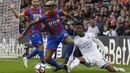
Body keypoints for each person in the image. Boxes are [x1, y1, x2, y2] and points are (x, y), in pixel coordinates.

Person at [19, 1, 78, 72]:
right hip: (52, 38)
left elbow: (66, 15)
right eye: (48, 9)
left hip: (62, 33)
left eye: (50, 9)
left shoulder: (58, 12)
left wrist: (74, 19)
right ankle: (58, 67)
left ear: (54, 7)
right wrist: (23, 33)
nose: (49, 11)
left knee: (71, 42)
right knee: (46, 59)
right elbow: (31, 23)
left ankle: (65, 61)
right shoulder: (43, 17)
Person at [9, 0, 45, 68]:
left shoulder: (41, 11)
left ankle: (26, 58)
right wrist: (12, 9)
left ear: (39, 2)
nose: (36, 3)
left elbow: (44, 19)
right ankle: (43, 64)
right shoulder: (28, 11)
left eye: (37, 2)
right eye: (34, 2)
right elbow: (18, 16)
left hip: (39, 31)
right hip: (32, 31)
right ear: (31, 3)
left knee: (39, 48)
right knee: (41, 46)